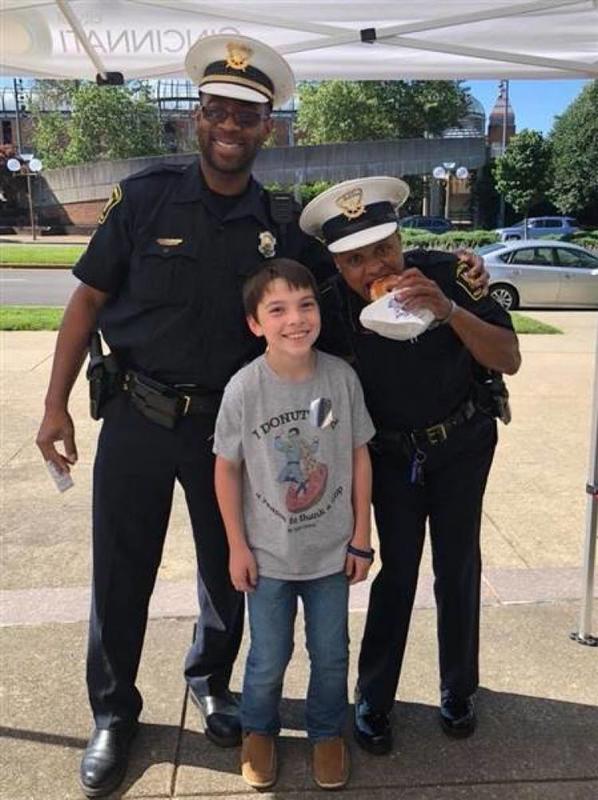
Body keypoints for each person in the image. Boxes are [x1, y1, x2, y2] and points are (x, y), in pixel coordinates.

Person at [35, 34, 333, 799]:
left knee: (229, 570)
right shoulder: (144, 198)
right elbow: (87, 301)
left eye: (248, 115)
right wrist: (54, 404)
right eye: (217, 110)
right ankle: (114, 712)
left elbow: (340, 292)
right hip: (137, 414)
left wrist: (436, 272)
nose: (230, 125)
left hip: (229, 434)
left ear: (269, 129)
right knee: (120, 573)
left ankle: (210, 681)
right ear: (195, 119)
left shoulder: (281, 221)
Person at [300, 177, 521, 755]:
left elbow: (509, 357)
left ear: (401, 237)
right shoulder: (330, 306)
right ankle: (374, 697)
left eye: (385, 246)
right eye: (355, 257)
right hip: (392, 458)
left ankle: (459, 688)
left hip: (464, 442)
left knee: (458, 566)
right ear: (336, 262)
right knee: (396, 574)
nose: (376, 264)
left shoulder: (445, 275)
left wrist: (448, 310)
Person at [213, 259, 375, 790]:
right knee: (268, 655)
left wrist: (361, 538)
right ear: (255, 324)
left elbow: (356, 456)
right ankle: (258, 729)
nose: (296, 319)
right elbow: (227, 468)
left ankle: (327, 731)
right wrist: (237, 547)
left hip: (331, 554)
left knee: (331, 654)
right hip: (269, 557)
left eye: (305, 305)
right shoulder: (243, 389)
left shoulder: (340, 378)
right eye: (277, 309)